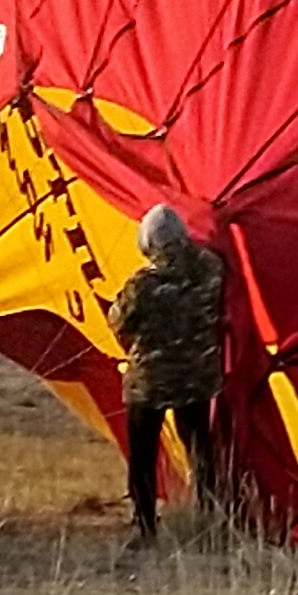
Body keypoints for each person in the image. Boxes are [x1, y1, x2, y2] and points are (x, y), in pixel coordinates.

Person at [111, 204, 228, 545]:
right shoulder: (212, 268)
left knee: (144, 456)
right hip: (198, 376)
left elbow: (120, 324)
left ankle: (146, 527)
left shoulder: (143, 286)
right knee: (200, 449)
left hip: (151, 383)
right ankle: (209, 517)